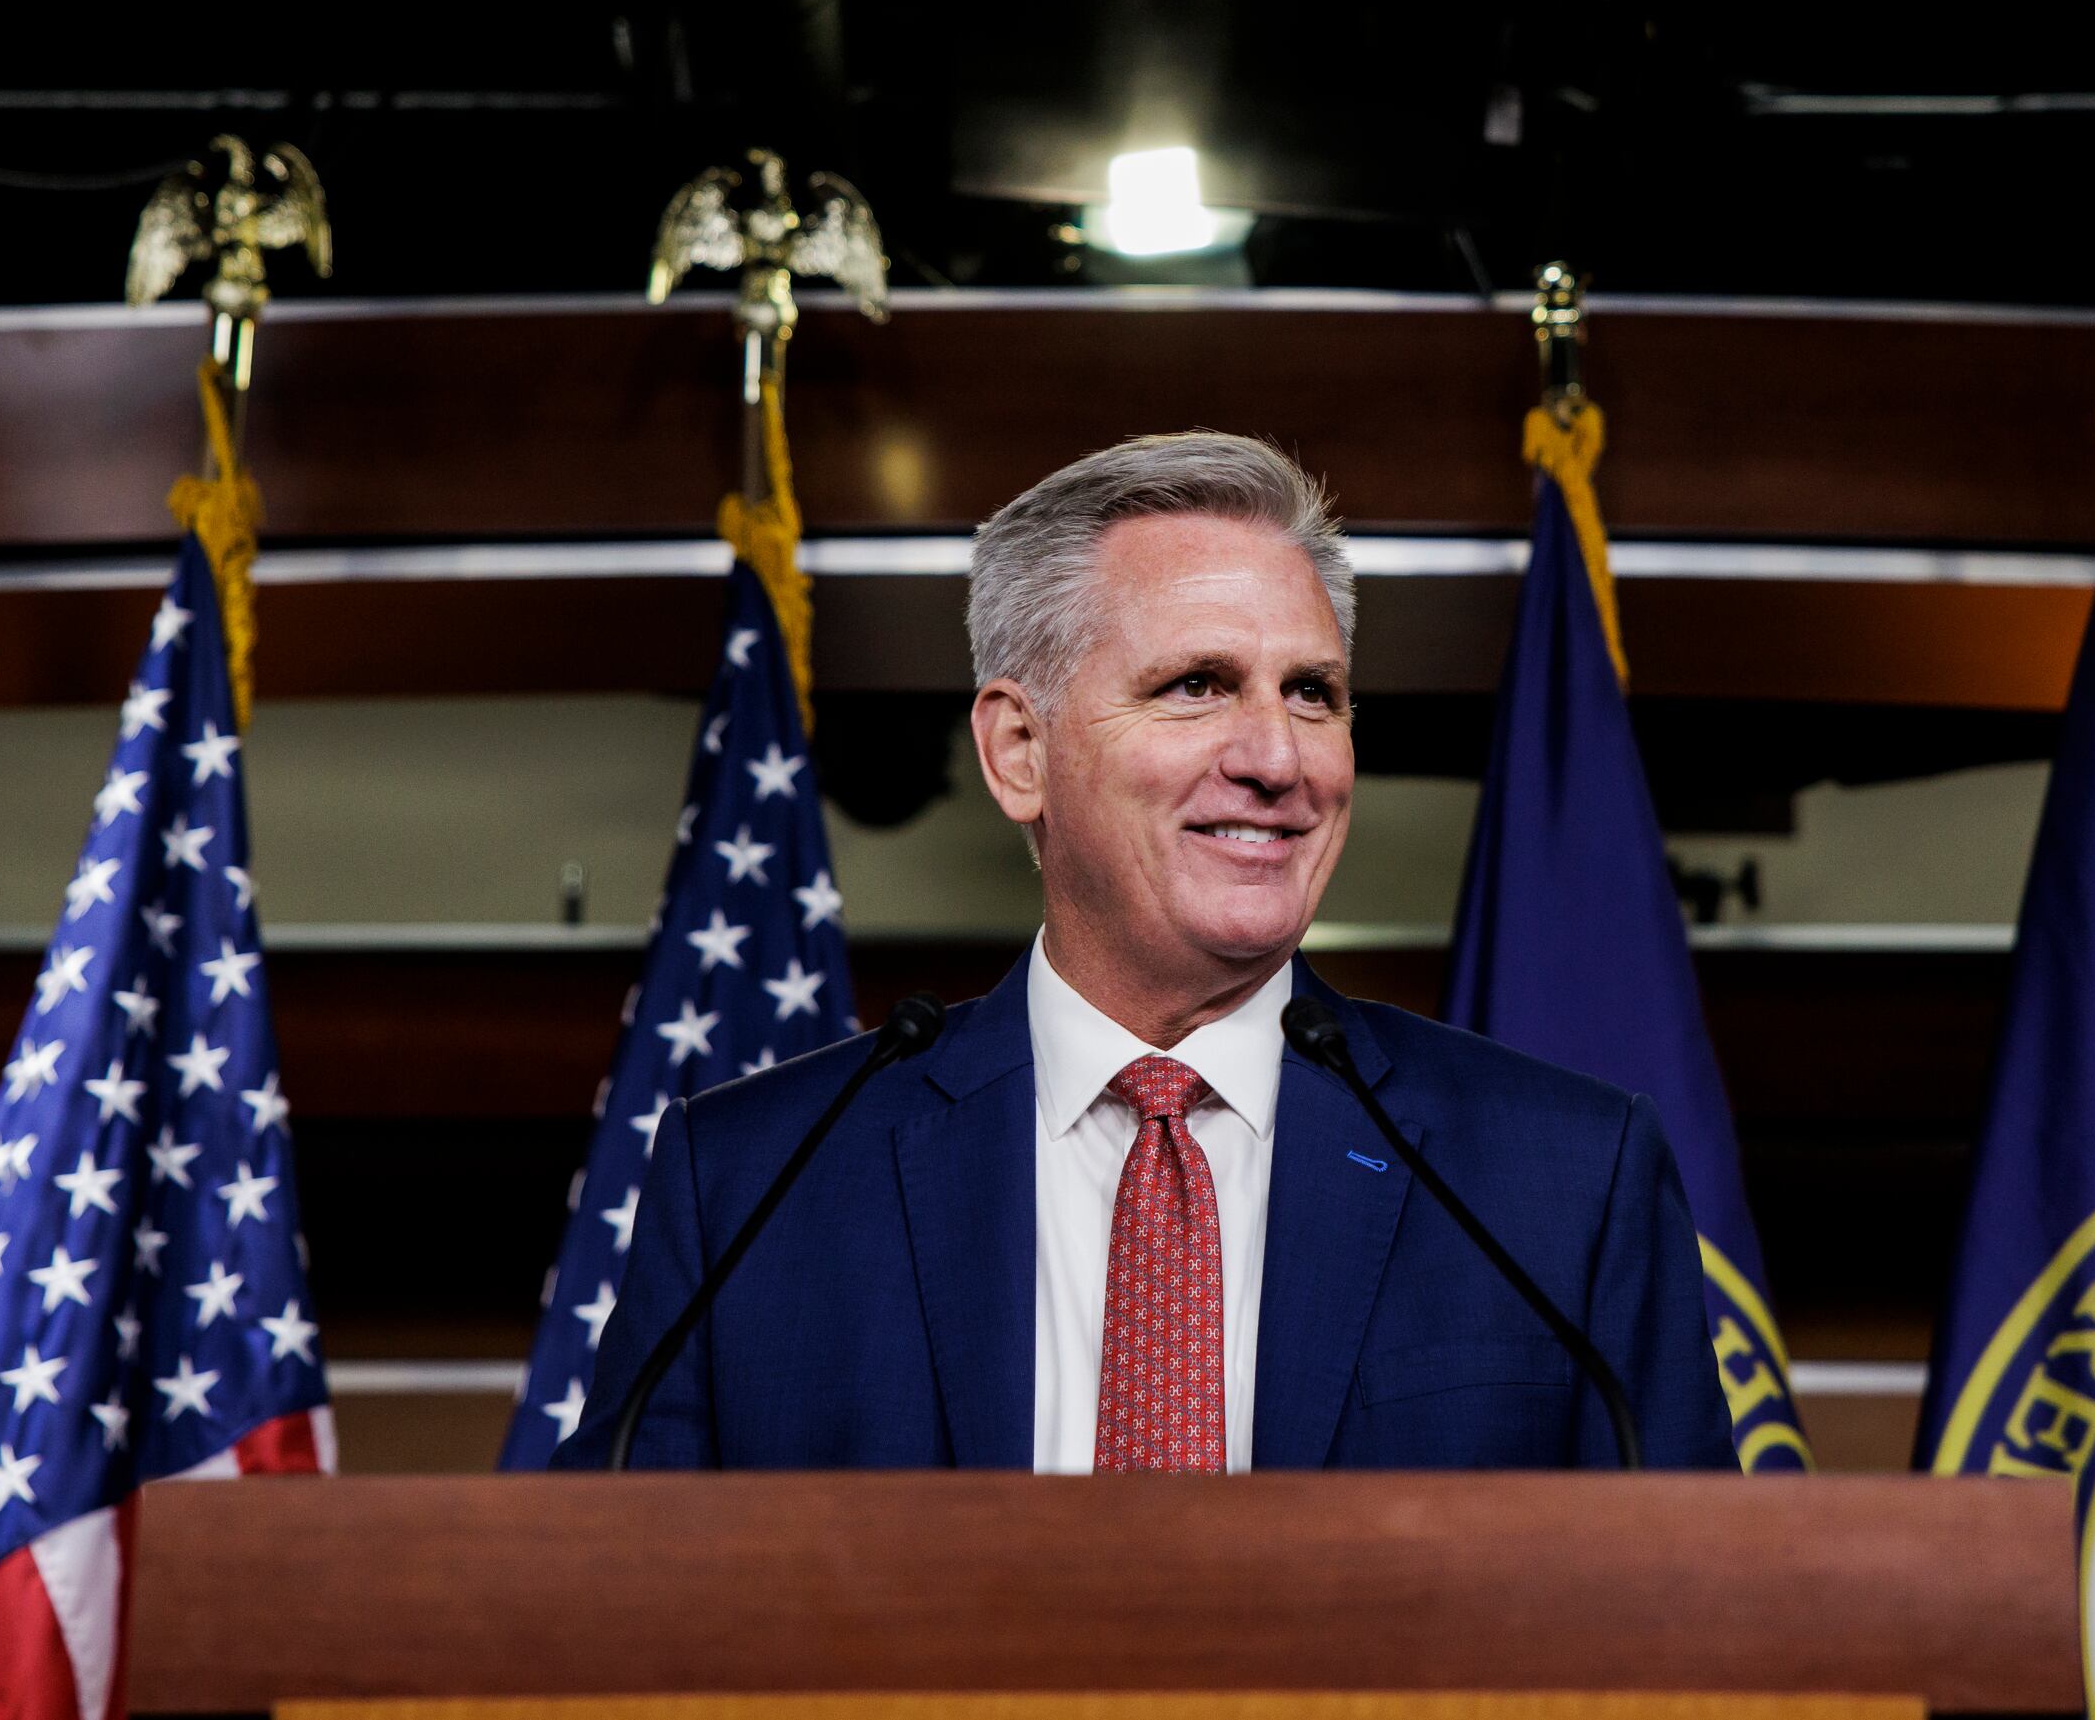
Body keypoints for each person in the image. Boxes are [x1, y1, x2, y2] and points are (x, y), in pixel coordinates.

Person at [564, 432, 1733, 1470]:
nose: (1280, 758)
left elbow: (1704, 1653)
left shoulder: (1564, 1181)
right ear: (1019, 750)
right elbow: (604, 1636)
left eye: (1314, 692)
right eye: (1197, 685)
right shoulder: (754, 1185)